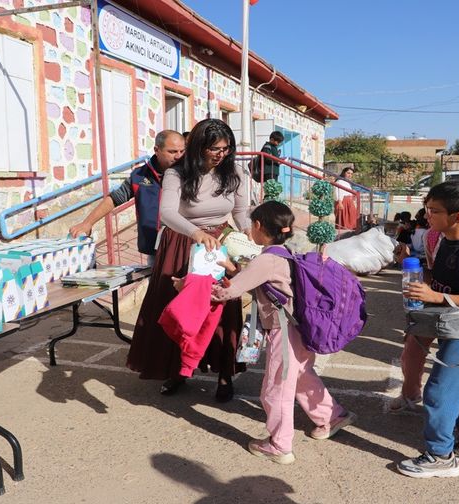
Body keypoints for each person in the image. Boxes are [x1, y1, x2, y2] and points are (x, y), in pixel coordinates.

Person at [211, 201, 355, 464]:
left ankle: (279, 445)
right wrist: (236, 271)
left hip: (284, 331)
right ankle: (332, 416)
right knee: (301, 376)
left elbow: (228, 292)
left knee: (276, 387)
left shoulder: (266, 259)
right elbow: (257, 281)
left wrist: (193, 286)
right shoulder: (284, 253)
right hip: (300, 328)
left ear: (258, 225)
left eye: (250, 225)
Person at [126, 119, 250, 402]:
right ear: (199, 146)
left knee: (222, 307)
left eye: (226, 148)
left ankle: (224, 373)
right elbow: (168, 213)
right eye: (214, 149)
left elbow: (241, 211)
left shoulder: (235, 172)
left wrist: (248, 235)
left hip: (219, 244)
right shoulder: (177, 173)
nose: (221, 154)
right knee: (179, 309)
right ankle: (178, 370)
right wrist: (195, 233)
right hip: (183, 243)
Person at [397, 179, 459, 478]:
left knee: (438, 392)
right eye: (427, 208)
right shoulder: (444, 242)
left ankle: (440, 456)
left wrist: (437, 297)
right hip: (453, 328)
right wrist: (415, 271)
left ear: (458, 216)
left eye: (434, 211)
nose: (427, 215)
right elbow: (443, 281)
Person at [68, 130, 185, 264]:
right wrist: (87, 223)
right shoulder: (139, 175)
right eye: (172, 152)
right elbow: (115, 198)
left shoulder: (190, 174)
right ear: (157, 150)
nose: (178, 156)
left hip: (183, 245)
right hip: (154, 248)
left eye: (182, 151)